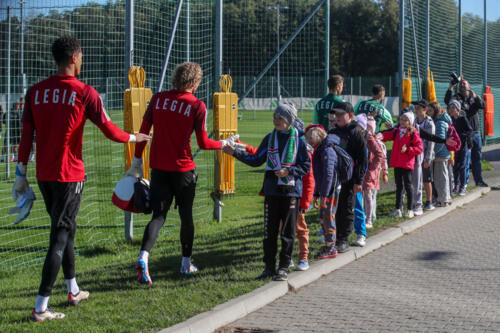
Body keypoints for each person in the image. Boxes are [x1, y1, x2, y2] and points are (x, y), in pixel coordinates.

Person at [14, 36, 150, 322]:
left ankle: (73, 290)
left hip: (44, 175)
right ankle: (41, 307)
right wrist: (134, 137)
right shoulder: (84, 91)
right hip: (69, 175)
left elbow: (26, 137)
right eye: (82, 56)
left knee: (67, 230)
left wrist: (21, 173)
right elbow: (109, 130)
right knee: (60, 237)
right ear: (75, 57)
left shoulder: (35, 91)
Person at [128, 62, 232, 285]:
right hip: (183, 169)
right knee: (186, 216)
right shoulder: (197, 105)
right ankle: (186, 264)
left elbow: (143, 133)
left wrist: (137, 159)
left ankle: (143, 257)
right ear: (195, 82)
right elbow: (203, 143)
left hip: (158, 167)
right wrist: (222, 143)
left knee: (159, 216)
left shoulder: (157, 99)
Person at [223, 103, 310, 281]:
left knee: (287, 233)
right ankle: (269, 267)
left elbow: (306, 166)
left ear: (289, 121)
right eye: (274, 117)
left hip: (290, 192)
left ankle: (284, 267)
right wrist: (234, 153)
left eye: (280, 118)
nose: (275, 121)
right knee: (269, 233)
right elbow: (256, 159)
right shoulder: (270, 138)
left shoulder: (299, 141)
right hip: (272, 191)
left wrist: (289, 171)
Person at [329, 102, 368, 253]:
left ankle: (343, 239)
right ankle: (332, 237)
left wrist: (358, 180)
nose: (336, 117)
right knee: (334, 208)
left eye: (340, 114)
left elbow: (362, 159)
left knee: (346, 207)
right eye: (335, 114)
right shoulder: (333, 132)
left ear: (350, 116)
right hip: (334, 178)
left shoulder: (355, 133)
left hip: (349, 178)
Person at [305, 125, 341, 258]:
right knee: (323, 217)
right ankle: (328, 244)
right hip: (325, 190)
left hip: (331, 190)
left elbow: (328, 175)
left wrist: (324, 195)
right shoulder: (319, 150)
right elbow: (319, 175)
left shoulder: (327, 150)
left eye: (311, 138)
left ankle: (331, 247)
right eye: (307, 138)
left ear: (319, 137)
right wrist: (316, 194)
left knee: (328, 217)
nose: (308, 141)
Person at [444, 79, 487, 187]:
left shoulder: (473, 97)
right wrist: (450, 87)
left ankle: (479, 181)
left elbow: (483, 105)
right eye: (461, 83)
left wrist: (476, 97)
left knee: (476, 157)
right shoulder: (456, 98)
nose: (462, 85)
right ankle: (464, 183)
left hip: (475, 132)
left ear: (469, 85)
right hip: (463, 134)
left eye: (464, 83)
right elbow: (447, 101)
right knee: (464, 159)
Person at [381, 111, 423, 218]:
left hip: (407, 164)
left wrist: (408, 149)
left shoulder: (413, 133)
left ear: (410, 122)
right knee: (399, 187)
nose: (403, 122)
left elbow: (419, 148)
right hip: (397, 163)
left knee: (408, 186)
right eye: (401, 119)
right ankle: (398, 209)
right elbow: (386, 135)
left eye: (405, 120)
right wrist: (377, 135)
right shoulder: (396, 131)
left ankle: (409, 209)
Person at [360, 115, 387, 230]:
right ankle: (362, 217)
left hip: (370, 172)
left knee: (369, 196)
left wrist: (382, 170)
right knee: (362, 195)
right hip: (362, 171)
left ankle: (369, 218)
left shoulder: (374, 141)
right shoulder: (363, 138)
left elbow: (382, 157)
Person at [411, 99, 435, 214]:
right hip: (416, 155)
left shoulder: (429, 123)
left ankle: (429, 200)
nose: (416, 110)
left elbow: (431, 142)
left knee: (426, 179)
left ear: (425, 109)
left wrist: (428, 158)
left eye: (418, 108)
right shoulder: (414, 121)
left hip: (425, 155)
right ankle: (415, 200)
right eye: (415, 108)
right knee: (416, 179)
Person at [447, 100, 474, 196]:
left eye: (453, 108)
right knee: (455, 166)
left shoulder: (463, 119)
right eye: (450, 108)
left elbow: (470, 130)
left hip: (462, 145)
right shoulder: (450, 120)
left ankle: (463, 186)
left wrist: (466, 138)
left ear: (458, 109)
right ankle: (456, 185)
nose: (451, 110)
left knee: (462, 165)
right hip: (454, 146)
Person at [428, 102, 452, 207]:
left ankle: (444, 199)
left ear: (436, 111)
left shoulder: (440, 123)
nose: (428, 112)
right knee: (438, 178)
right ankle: (441, 199)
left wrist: (433, 153)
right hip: (438, 155)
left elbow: (441, 141)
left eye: (430, 110)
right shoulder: (436, 121)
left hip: (440, 155)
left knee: (441, 178)